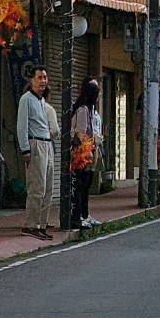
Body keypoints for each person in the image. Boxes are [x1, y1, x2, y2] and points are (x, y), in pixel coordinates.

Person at [16, 64, 54, 240]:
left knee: (47, 188)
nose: (43, 81)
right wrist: (25, 149)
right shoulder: (26, 99)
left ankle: (42, 223)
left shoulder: (41, 100)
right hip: (35, 144)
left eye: (45, 77)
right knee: (36, 187)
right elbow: (21, 126)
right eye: (39, 77)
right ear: (32, 80)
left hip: (47, 144)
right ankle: (31, 224)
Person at [70, 77, 102, 230]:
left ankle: (84, 214)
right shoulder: (83, 109)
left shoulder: (91, 109)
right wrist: (87, 151)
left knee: (86, 183)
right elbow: (81, 133)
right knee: (80, 184)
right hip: (82, 153)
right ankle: (77, 216)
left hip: (91, 149)